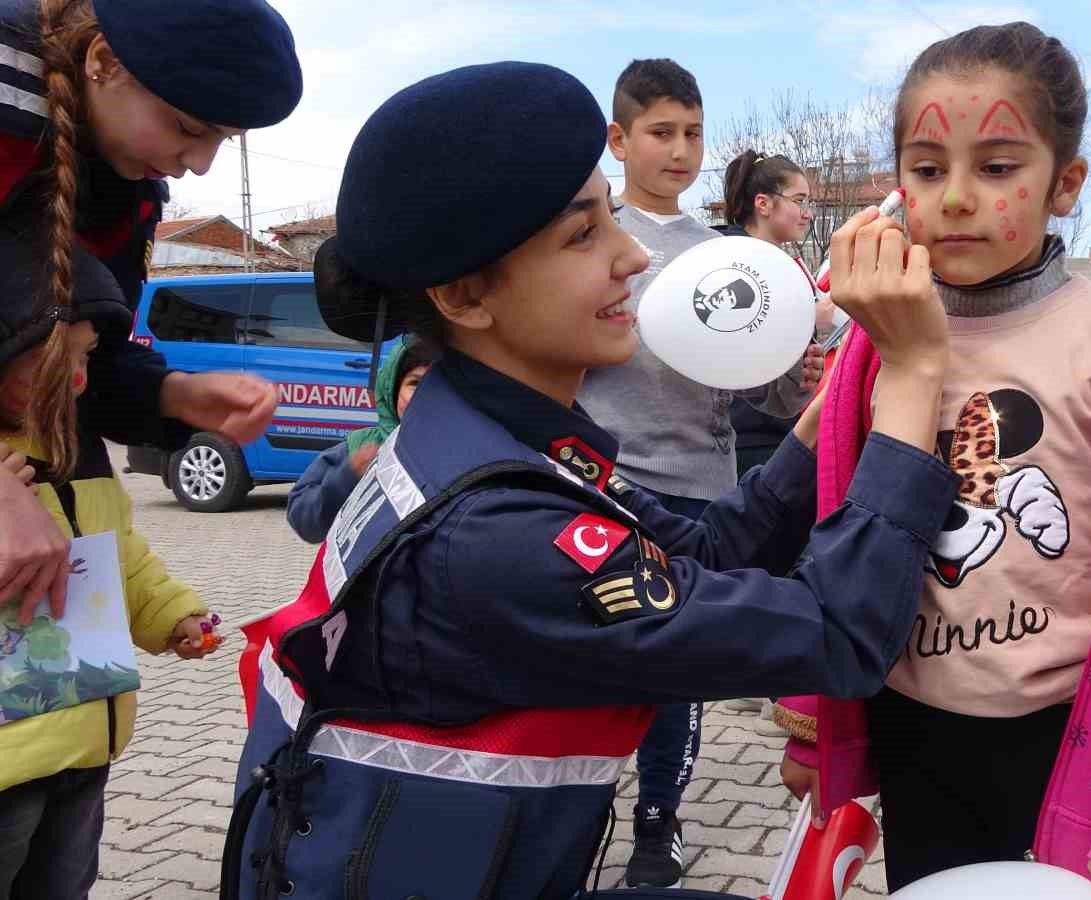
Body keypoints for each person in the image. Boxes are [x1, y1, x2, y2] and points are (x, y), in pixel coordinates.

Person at [223, 61, 957, 900]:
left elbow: (708, 547)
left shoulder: (480, 442)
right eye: (584, 235)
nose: (633, 256)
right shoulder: (498, 529)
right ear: (465, 296)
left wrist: (829, 407)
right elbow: (835, 633)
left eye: (611, 215)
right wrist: (912, 373)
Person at [775, 24, 1091, 900]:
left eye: (995, 167)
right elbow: (829, 524)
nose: (953, 198)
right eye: (924, 168)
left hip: (1074, 742)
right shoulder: (881, 342)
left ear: (1065, 185)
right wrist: (816, 716)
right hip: (915, 732)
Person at [574, 59, 823, 889]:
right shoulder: (590, 239)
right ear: (620, 139)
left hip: (700, 486)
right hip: (603, 481)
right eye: (661, 133)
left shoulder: (723, 255)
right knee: (591, 657)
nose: (680, 151)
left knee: (678, 669)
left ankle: (657, 824)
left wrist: (798, 361)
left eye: (693, 134)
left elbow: (755, 381)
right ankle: (568, 810)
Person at [0, 0, 300, 623]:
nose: (200, 164)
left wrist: (173, 393)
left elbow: (95, 354)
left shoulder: (127, 188)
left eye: (223, 139)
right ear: (105, 62)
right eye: (188, 127)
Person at [0, 229, 224, 899]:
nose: (76, 379)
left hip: (86, 745)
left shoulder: (75, 446)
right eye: (49, 358)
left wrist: (171, 614)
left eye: (88, 357)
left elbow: (121, 554)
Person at [721, 149, 837, 480]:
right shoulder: (726, 259)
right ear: (764, 203)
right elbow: (732, 334)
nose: (808, 214)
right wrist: (807, 319)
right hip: (742, 434)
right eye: (799, 200)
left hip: (780, 426)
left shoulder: (779, 265)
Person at [285, 336, 440, 544]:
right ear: (392, 391)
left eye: (436, 386)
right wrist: (346, 478)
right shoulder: (359, 448)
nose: (424, 396)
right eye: (415, 383)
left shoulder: (468, 452)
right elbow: (305, 523)